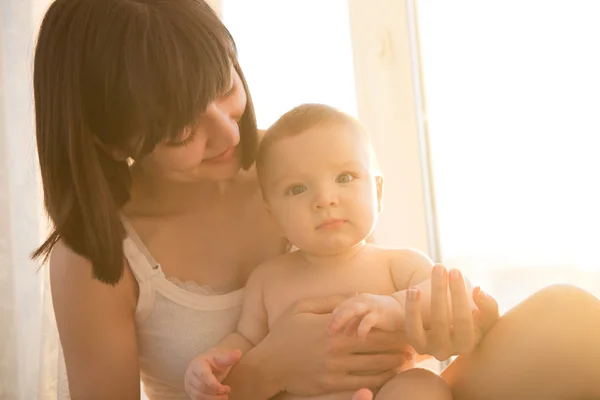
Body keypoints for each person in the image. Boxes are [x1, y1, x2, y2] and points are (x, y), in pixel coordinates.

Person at [32, 0, 600, 399]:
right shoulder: (99, 257)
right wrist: (267, 370)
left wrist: (443, 324)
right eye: (182, 130)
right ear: (111, 140)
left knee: (568, 320)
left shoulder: (292, 167)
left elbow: (380, 292)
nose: (229, 135)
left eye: (225, 88)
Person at [184, 104, 462, 400]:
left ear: (378, 192)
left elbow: (451, 294)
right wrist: (212, 363)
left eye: (344, 178)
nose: (325, 199)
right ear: (273, 216)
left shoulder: (397, 263)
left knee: (421, 384)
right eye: (297, 189)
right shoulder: (268, 279)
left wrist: (394, 308)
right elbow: (246, 340)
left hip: (387, 389)